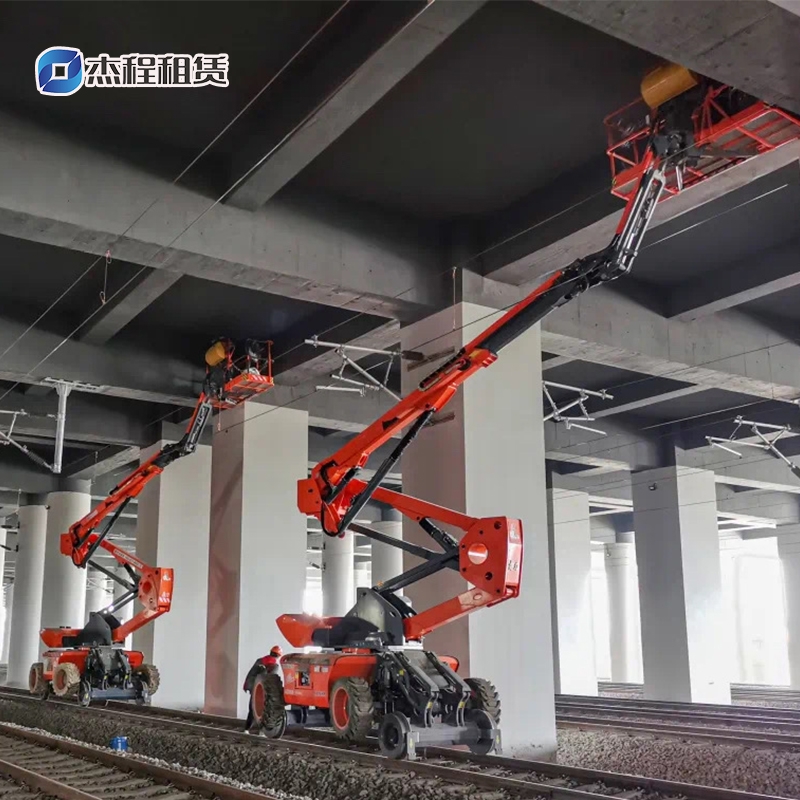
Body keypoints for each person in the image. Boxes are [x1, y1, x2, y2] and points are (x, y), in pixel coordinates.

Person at [244, 645, 282, 731]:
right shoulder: (274, 665)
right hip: (263, 690)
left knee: (252, 708)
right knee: (263, 710)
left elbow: (251, 673)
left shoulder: (260, 660)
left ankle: (246, 729)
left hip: (253, 687)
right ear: (279, 655)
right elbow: (271, 681)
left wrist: (247, 686)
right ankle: (261, 731)